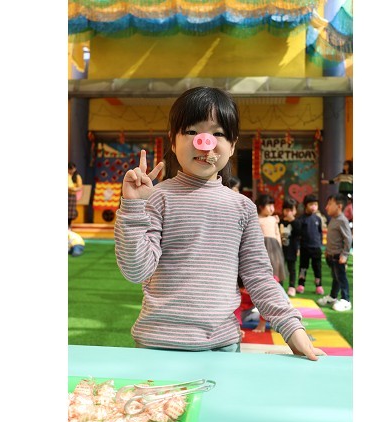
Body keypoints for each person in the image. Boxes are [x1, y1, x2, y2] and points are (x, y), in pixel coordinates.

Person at [114, 86, 324, 360]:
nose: (205, 142)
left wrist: (292, 329)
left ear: (232, 145)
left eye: (218, 134)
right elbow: (136, 271)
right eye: (192, 131)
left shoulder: (242, 207)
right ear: (173, 141)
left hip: (222, 347)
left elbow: (259, 277)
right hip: (157, 345)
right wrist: (133, 206)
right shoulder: (157, 198)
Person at [317, 193, 353, 311]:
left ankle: (346, 300)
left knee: (341, 277)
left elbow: (348, 238)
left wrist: (345, 254)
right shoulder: (333, 219)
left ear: (339, 206)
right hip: (331, 255)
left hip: (339, 256)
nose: (326, 207)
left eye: (329, 204)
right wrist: (327, 251)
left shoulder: (342, 220)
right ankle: (333, 296)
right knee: (335, 277)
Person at [255, 193, 286, 287]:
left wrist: (279, 246)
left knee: (275, 265)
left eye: (273, 205)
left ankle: (276, 285)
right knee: (262, 266)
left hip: (274, 247)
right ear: (261, 207)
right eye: (269, 205)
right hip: (261, 246)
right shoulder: (256, 219)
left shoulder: (273, 219)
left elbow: (277, 233)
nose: (272, 208)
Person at [297, 194, 324, 295]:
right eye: (311, 204)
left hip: (316, 248)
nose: (314, 207)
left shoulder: (318, 219)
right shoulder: (301, 219)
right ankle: (301, 285)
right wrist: (298, 247)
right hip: (305, 248)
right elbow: (298, 235)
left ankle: (319, 285)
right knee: (303, 267)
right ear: (306, 205)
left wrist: (320, 244)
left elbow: (320, 233)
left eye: (316, 204)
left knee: (317, 268)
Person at [280, 198, 301, 297]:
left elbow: (299, 233)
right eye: (286, 210)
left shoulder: (297, 222)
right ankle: (279, 287)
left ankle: (292, 287)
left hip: (292, 249)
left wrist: (292, 221)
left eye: (291, 210)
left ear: (295, 211)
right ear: (283, 210)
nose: (289, 212)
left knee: (292, 269)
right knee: (280, 269)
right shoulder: (280, 221)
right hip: (281, 250)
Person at [68, 162, 83, 228]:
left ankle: (69, 225)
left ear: (75, 169)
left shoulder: (77, 176)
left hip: (72, 195)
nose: (71, 171)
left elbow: (80, 187)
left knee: (70, 212)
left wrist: (74, 189)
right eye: (69, 169)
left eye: (72, 169)